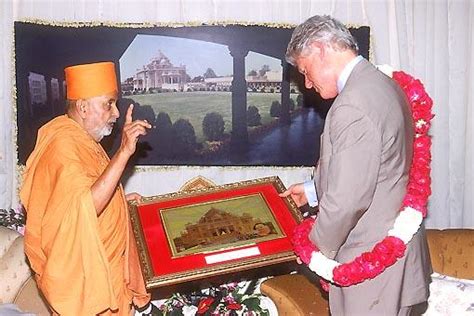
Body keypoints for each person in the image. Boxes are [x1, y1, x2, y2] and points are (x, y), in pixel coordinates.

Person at [280, 15, 432, 315]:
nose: (307, 83)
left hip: (372, 271)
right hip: (396, 264)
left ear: (322, 49)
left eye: (305, 71)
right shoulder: (383, 84)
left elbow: (347, 202)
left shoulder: (352, 104)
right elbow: (384, 167)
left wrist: (313, 248)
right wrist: (312, 191)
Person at [20, 62, 158, 315]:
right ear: (83, 107)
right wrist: (124, 152)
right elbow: (84, 205)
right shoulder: (63, 144)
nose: (116, 113)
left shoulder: (83, 140)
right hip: (85, 280)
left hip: (107, 274)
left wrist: (121, 202)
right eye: (108, 103)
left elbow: (85, 195)